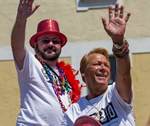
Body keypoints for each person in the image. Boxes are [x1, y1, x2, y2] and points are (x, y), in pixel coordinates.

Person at [61, 2, 135, 126]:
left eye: (106, 65)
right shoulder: (73, 112)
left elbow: (124, 74)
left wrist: (118, 42)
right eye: (97, 64)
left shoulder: (116, 94)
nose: (103, 68)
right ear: (83, 71)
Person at [11, 0, 81, 126]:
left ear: (60, 46)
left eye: (55, 41)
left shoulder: (64, 74)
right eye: (45, 40)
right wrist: (21, 19)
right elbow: (17, 47)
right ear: (35, 44)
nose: (50, 44)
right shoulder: (31, 65)